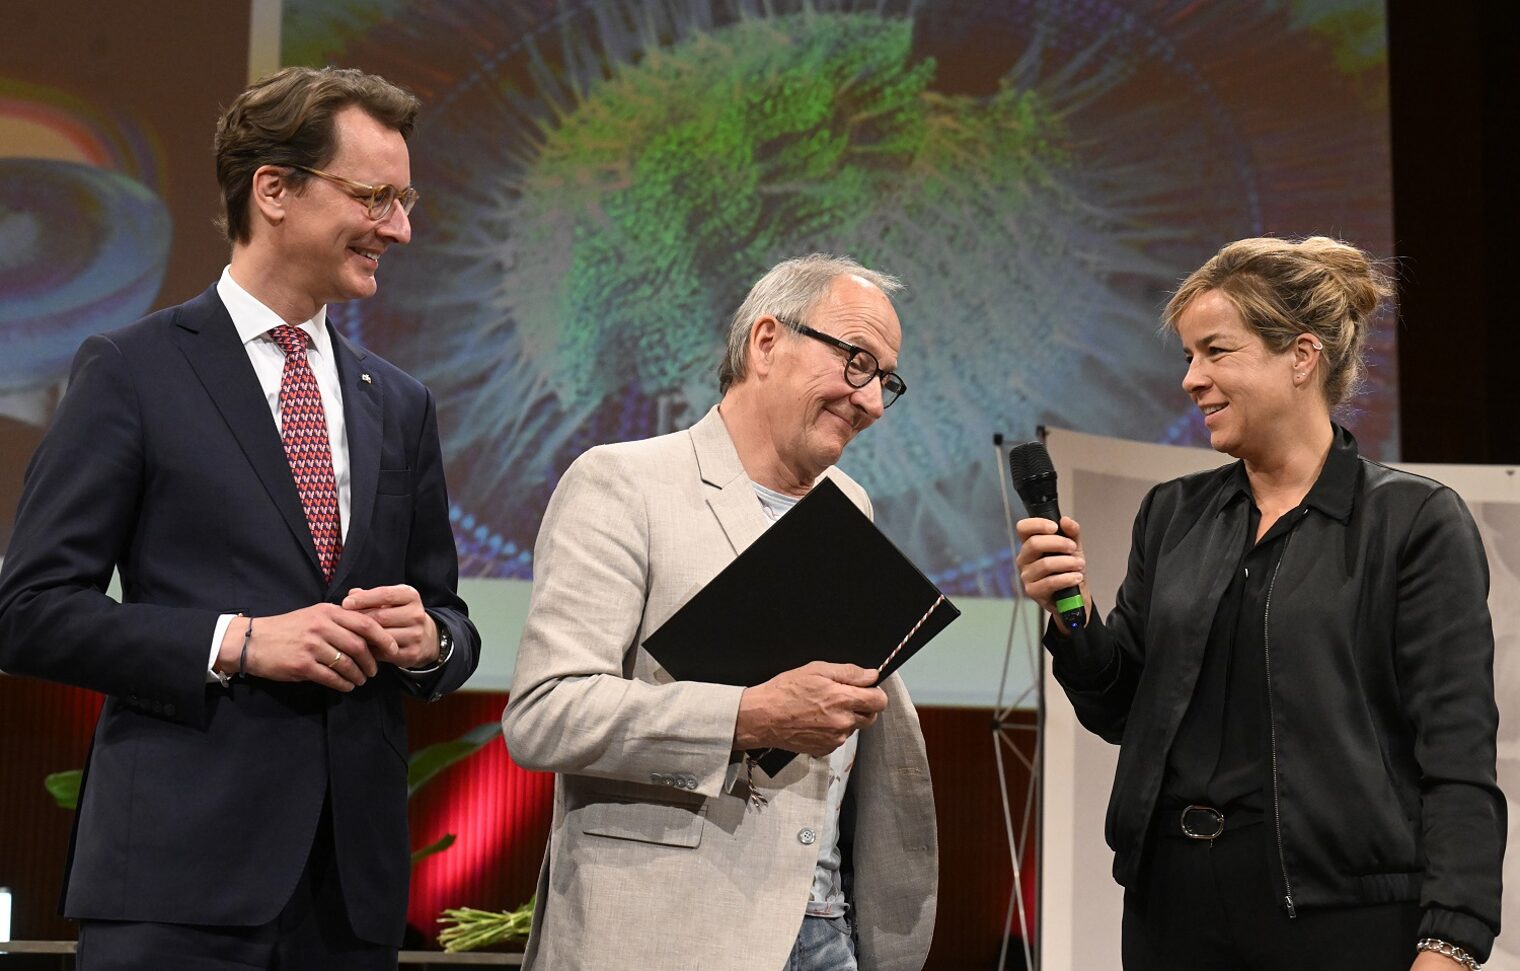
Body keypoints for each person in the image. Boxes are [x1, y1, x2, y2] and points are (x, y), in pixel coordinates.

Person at [0, 66, 480, 969]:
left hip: (349, 898)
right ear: (275, 190)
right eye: (374, 196)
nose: (400, 227)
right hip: (178, 891)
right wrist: (236, 641)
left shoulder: (400, 402)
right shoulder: (133, 370)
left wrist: (434, 641)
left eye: (404, 199)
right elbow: (27, 610)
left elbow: (449, 614)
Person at [1016, 236, 1504, 970]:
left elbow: (1459, 758)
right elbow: (1122, 709)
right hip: (1171, 912)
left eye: (1215, 351)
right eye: (1187, 356)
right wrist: (1070, 613)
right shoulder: (1173, 514)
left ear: (1301, 356)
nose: (1191, 379)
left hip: (1341, 919)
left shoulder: (1413, 521)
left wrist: (1451, 942)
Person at [503, 254, 938, 971]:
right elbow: (547, 713)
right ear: (766, 340)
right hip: (668, 932)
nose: (873, 403)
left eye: (886, 379)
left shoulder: (850, 505)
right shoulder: (624, 484)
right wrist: (748, 715)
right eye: (857, 363)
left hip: (828, 930)